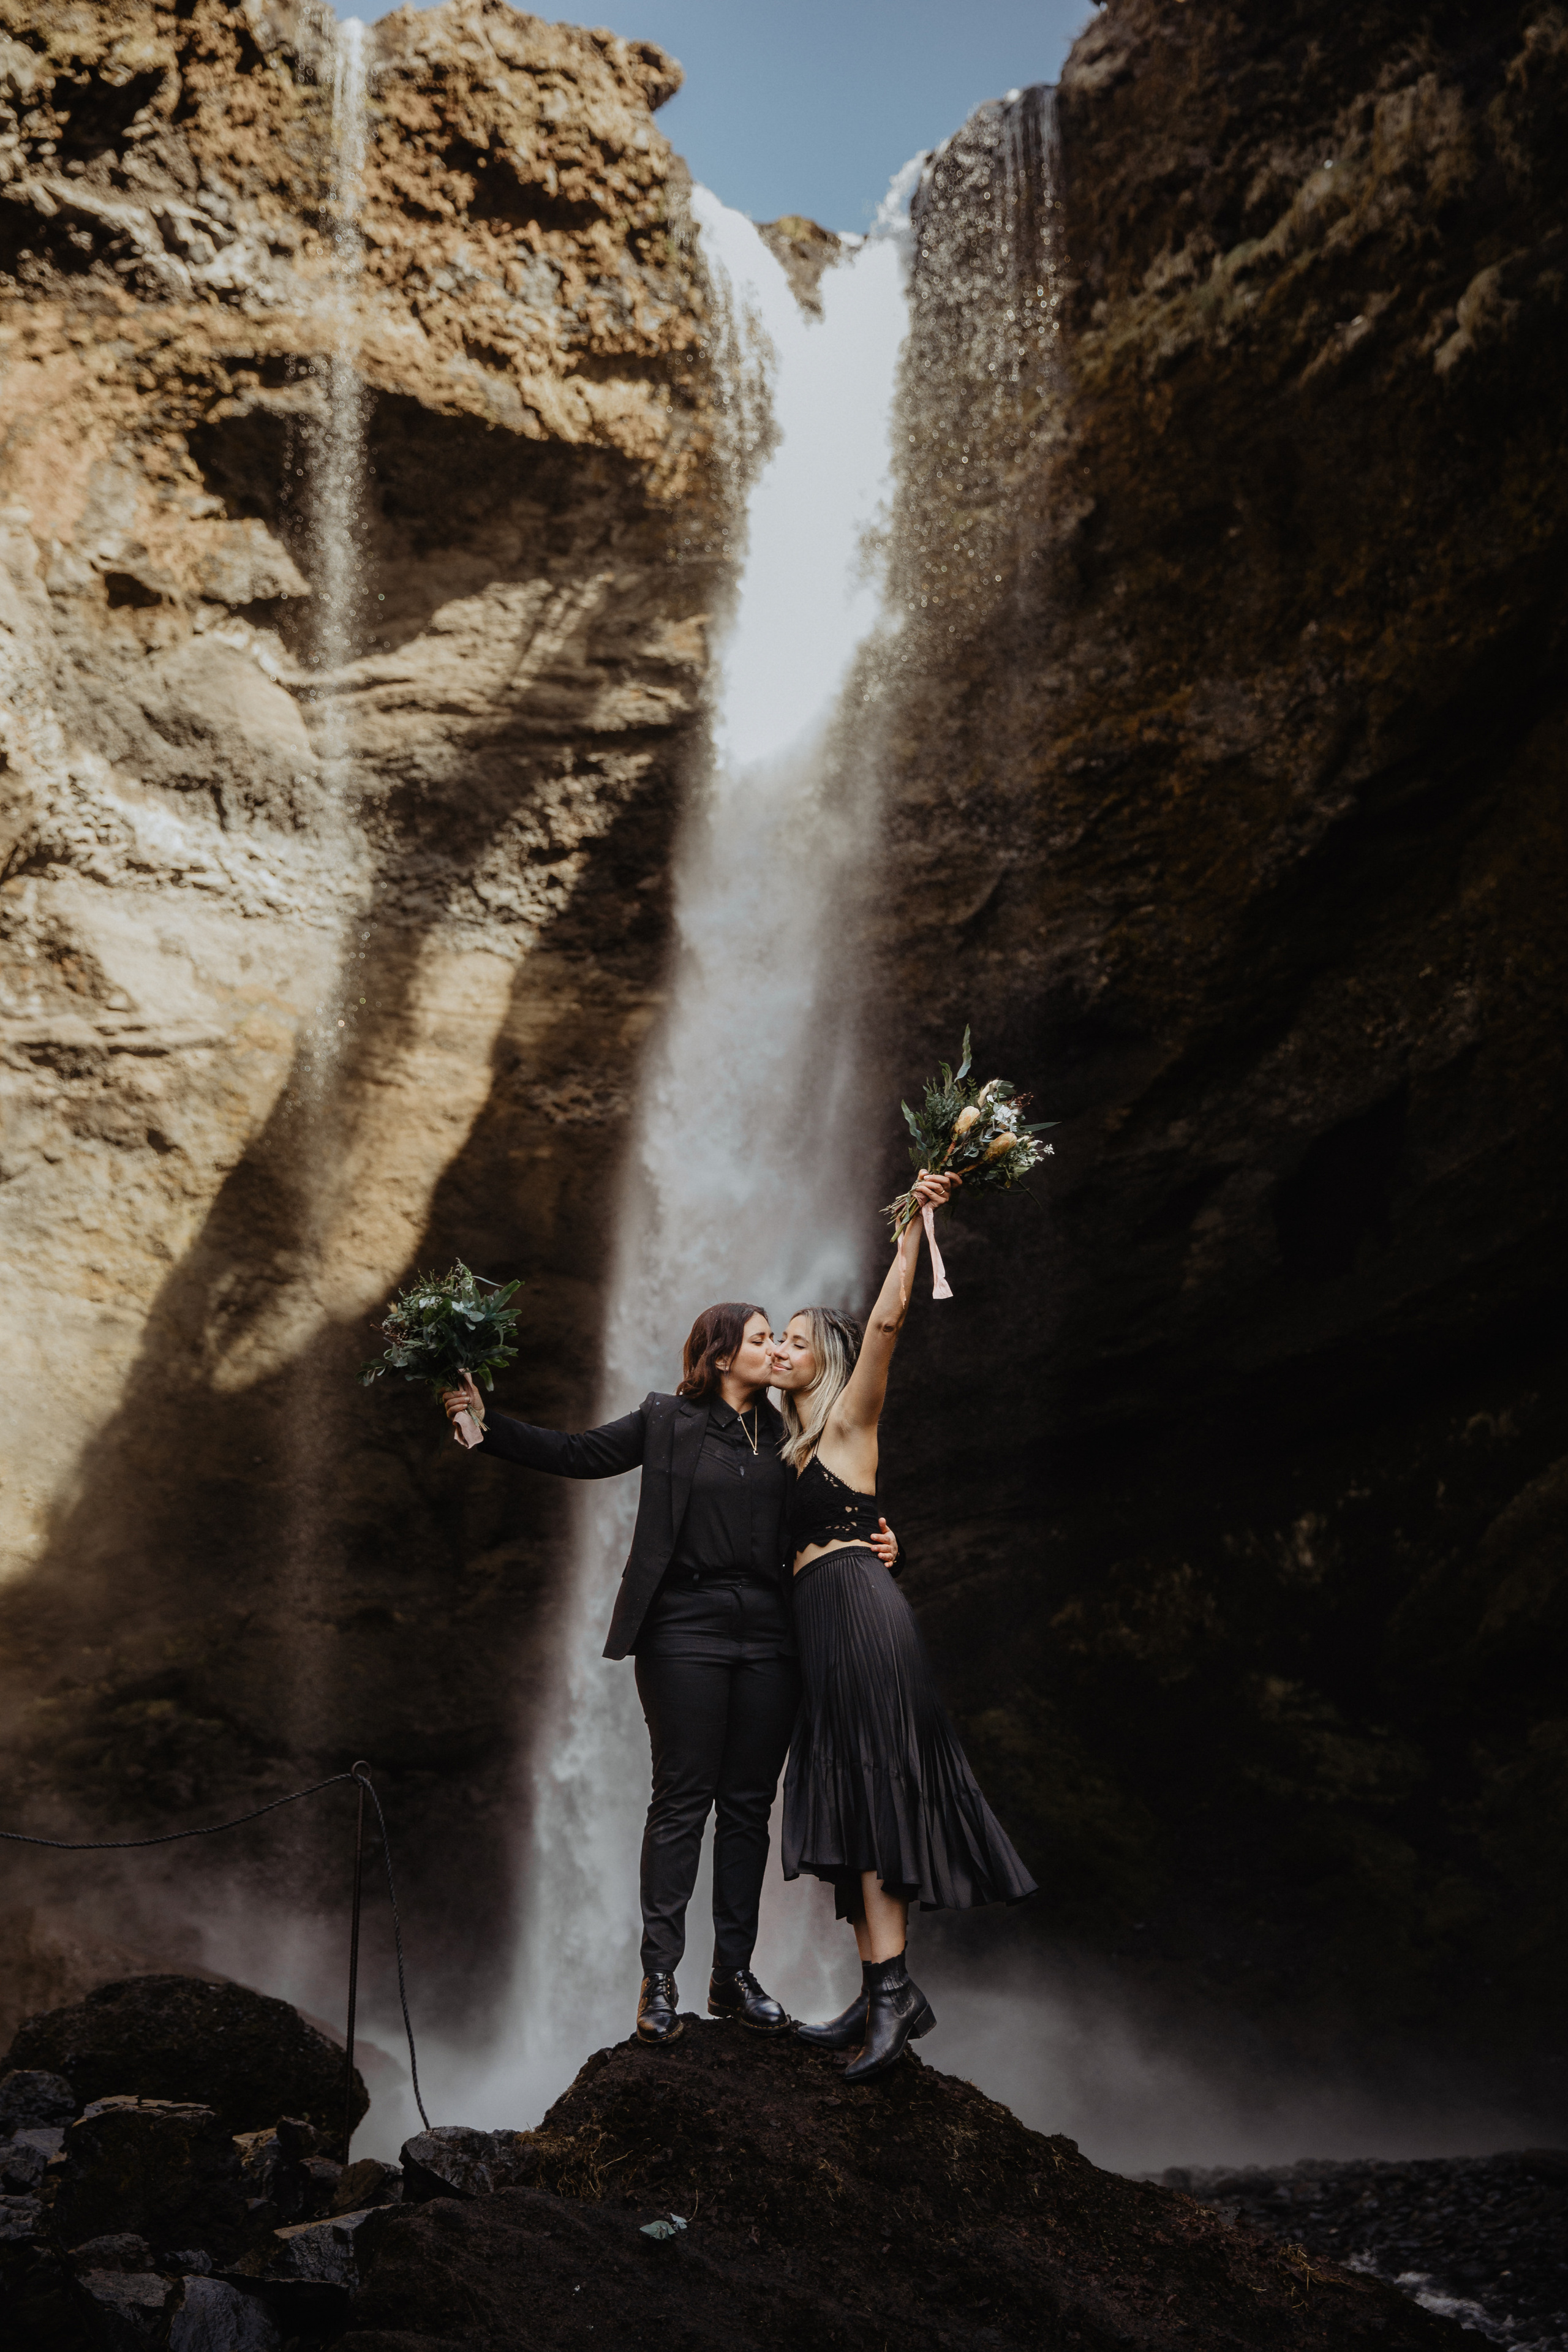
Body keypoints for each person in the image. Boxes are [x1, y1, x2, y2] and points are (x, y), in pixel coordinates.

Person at [440, 1303, 903, 2048]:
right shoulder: (665, 1418)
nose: (776, 1351)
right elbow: (579, 1454)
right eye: (760, 1340)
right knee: (684, 1799)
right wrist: (483, 1424)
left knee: (748, 1807)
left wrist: (885, 1548)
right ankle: (659, 1979)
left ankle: (734, 1976)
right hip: (683, 1626)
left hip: (772, 1632)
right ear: (721, 1356)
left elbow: (836, 1514)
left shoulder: (795, 1434)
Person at [770, 1172, 1038, 2082]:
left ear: (830, 1358)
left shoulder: (849, 1423)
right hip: (826, 1622)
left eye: (798, 1341)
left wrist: (915, 1228)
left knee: (876, 1787)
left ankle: (892, 1999)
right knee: (854, 1795)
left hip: (858, 1615)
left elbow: (886, 1326)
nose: (784, 1348)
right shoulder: (785, 1449)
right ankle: (883, 1990)